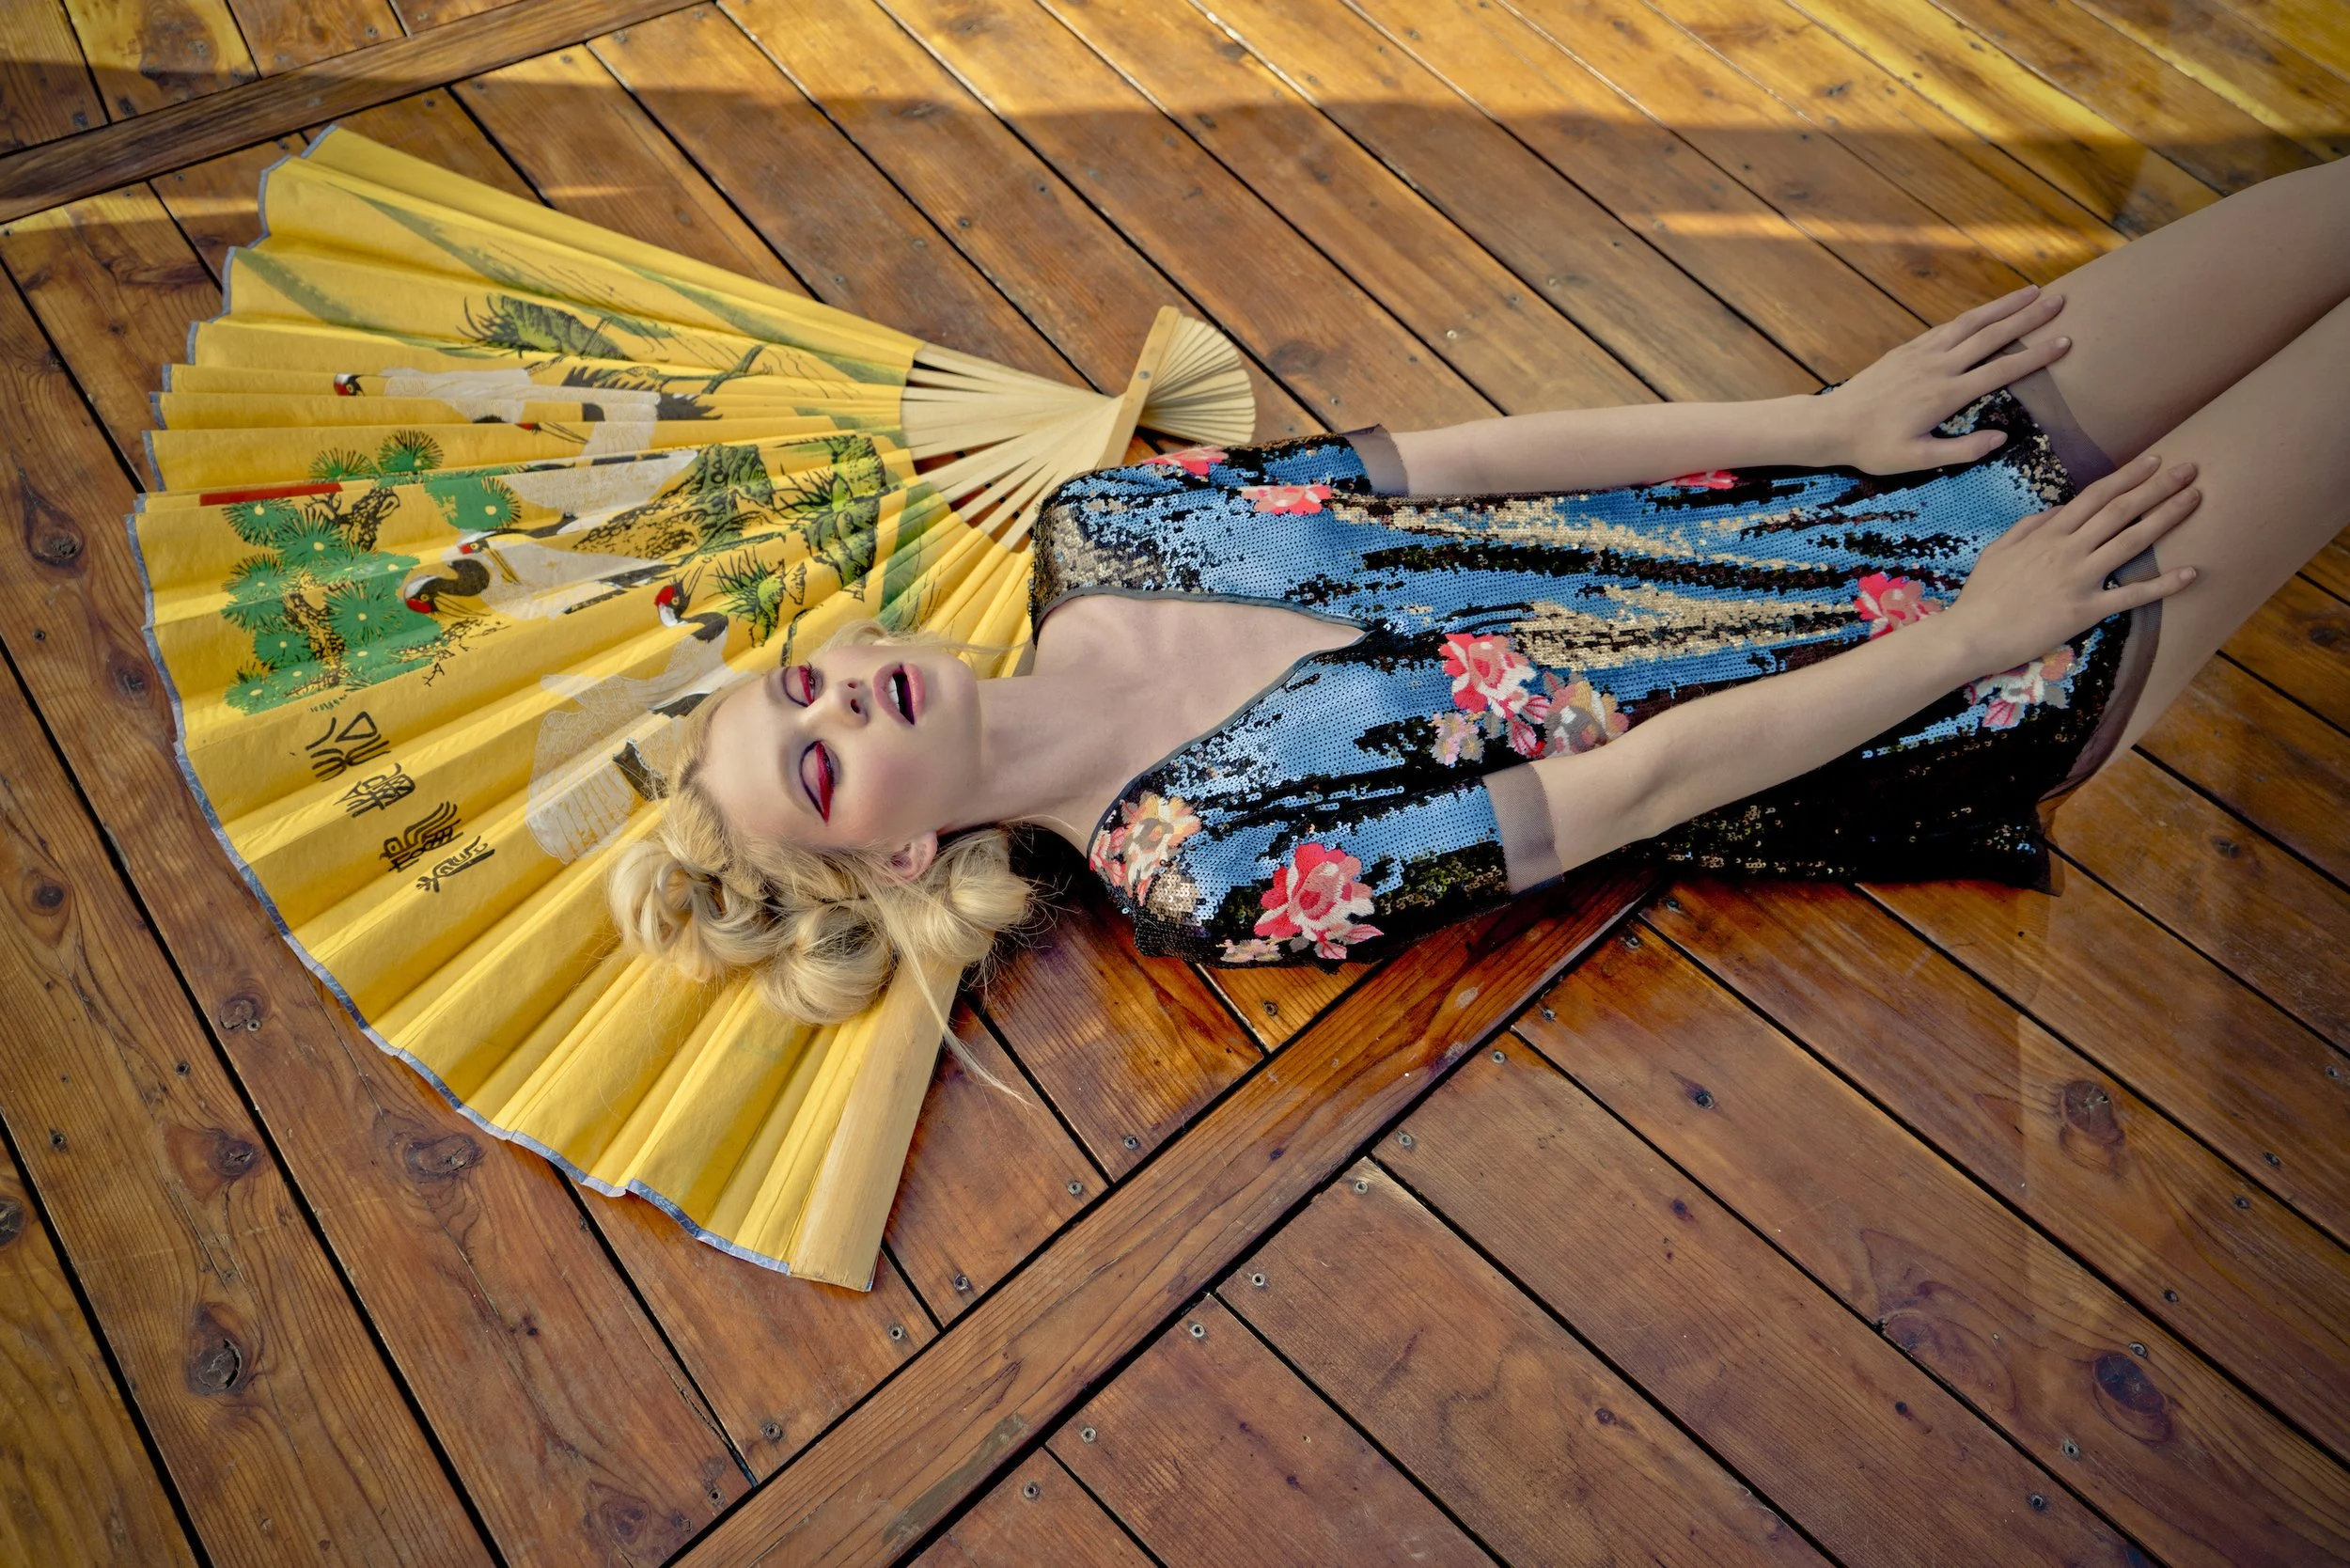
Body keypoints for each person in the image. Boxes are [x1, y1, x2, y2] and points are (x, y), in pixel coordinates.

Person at [610, 158, 2347, 1015]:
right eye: (821, 764)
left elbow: (1454, 462)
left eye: (803, 687)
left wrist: (1824, 416)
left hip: (1832, 476)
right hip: (1949, 682)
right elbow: (1649, 781)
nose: (843, 697)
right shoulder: (1203, 871)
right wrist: (1980, 636)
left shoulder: (1106, 524)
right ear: (903, 856)